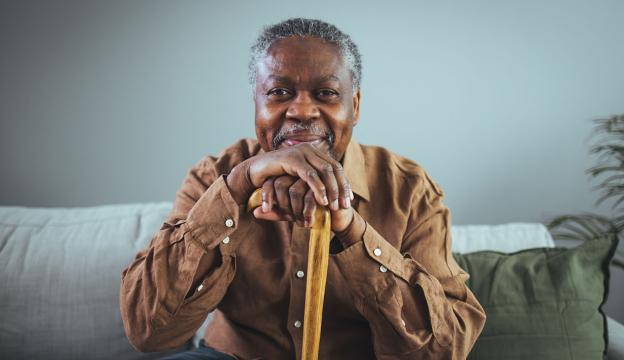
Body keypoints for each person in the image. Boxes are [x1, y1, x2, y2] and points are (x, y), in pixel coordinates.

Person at [120, 18, 486, 360]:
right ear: (257, 104)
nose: (302, 111)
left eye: (326, 93)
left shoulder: (409, 189)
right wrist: (239, 185)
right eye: (279, 91)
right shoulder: (214, 176)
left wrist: (351, 230)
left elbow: (444, 348)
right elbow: (147, 331)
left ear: (354, 106)